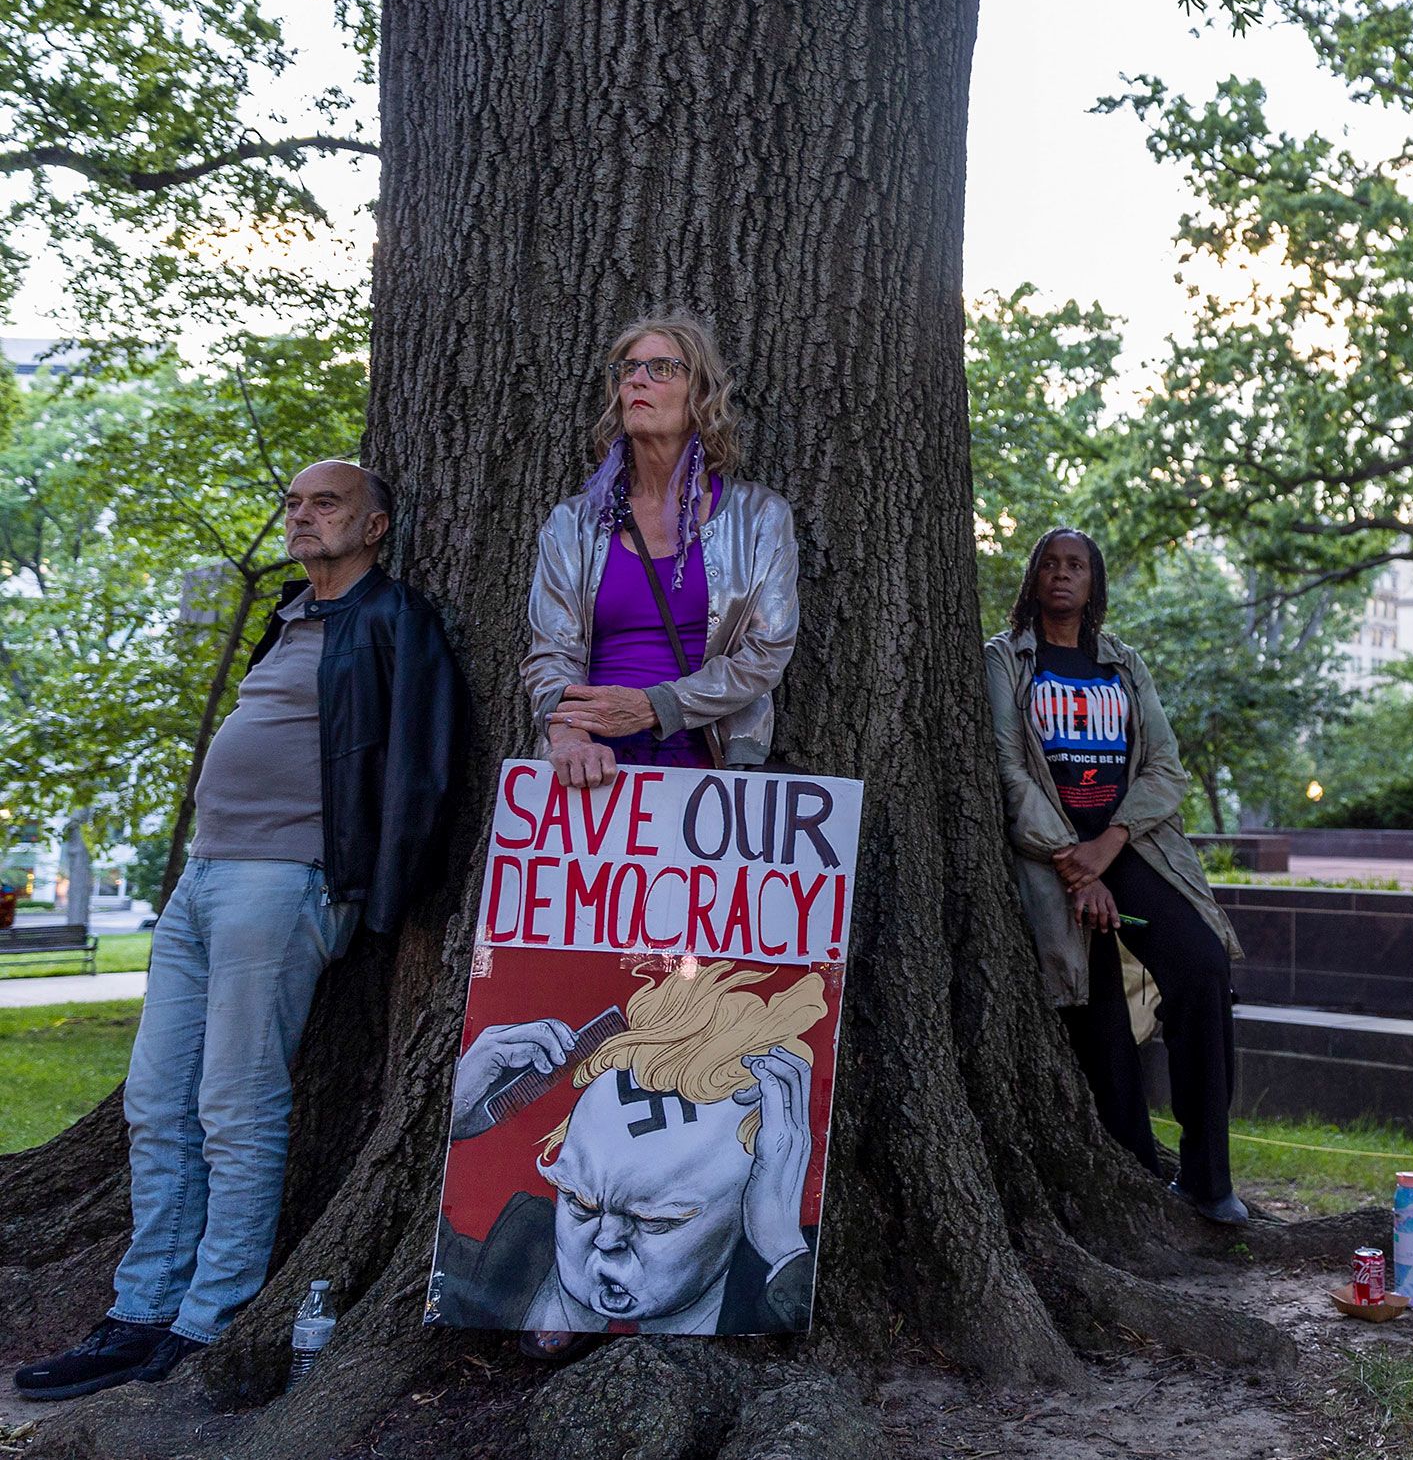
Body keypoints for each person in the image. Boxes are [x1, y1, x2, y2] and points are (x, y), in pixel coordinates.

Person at [14, 461, 466, 1402]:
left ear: (376, 525)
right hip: (202, 879)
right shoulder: (288, 618)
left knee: (237, 1104)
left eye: (326, 503)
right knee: (155, 1100)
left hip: (287, 878)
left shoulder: (393, 621)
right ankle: (137, 1312)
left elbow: (422, 769)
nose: (302, 517)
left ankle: (205, 1318)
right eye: (294, 504)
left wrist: (374, 904)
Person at [983, 527, 1247, 1223]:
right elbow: (1009, 772)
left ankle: (1207, 1176)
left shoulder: (1122, 665)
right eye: (1050, 563)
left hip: (1129, 849)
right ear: (1033, 579)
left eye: (1077, 565)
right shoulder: (1006, 661)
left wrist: (1110, 845)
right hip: (1051, 858)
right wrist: (1075, 861)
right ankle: (1130, 1170)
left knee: (1202, 965)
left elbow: (1166, 768)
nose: (1063, 574)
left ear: (1094, 582)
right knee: (1093, 1002)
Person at [428, 962, 822, 1334]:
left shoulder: (781, 1294)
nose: (606, 1240)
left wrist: (783, 1249)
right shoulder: (498, 1266)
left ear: (751, 1204)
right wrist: (453, 1123)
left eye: (655, 1221)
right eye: (579, 1203)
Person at [522, 314, 797, 786]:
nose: (636, 379)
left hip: (711, 767)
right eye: (626, 370)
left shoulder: (759, 517)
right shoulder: (574, 523)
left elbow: (765, 653)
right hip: (589, 766)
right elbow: (551, 652)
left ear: (702, 394)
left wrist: (654, 707)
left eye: (661, 368)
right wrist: (568, 734)